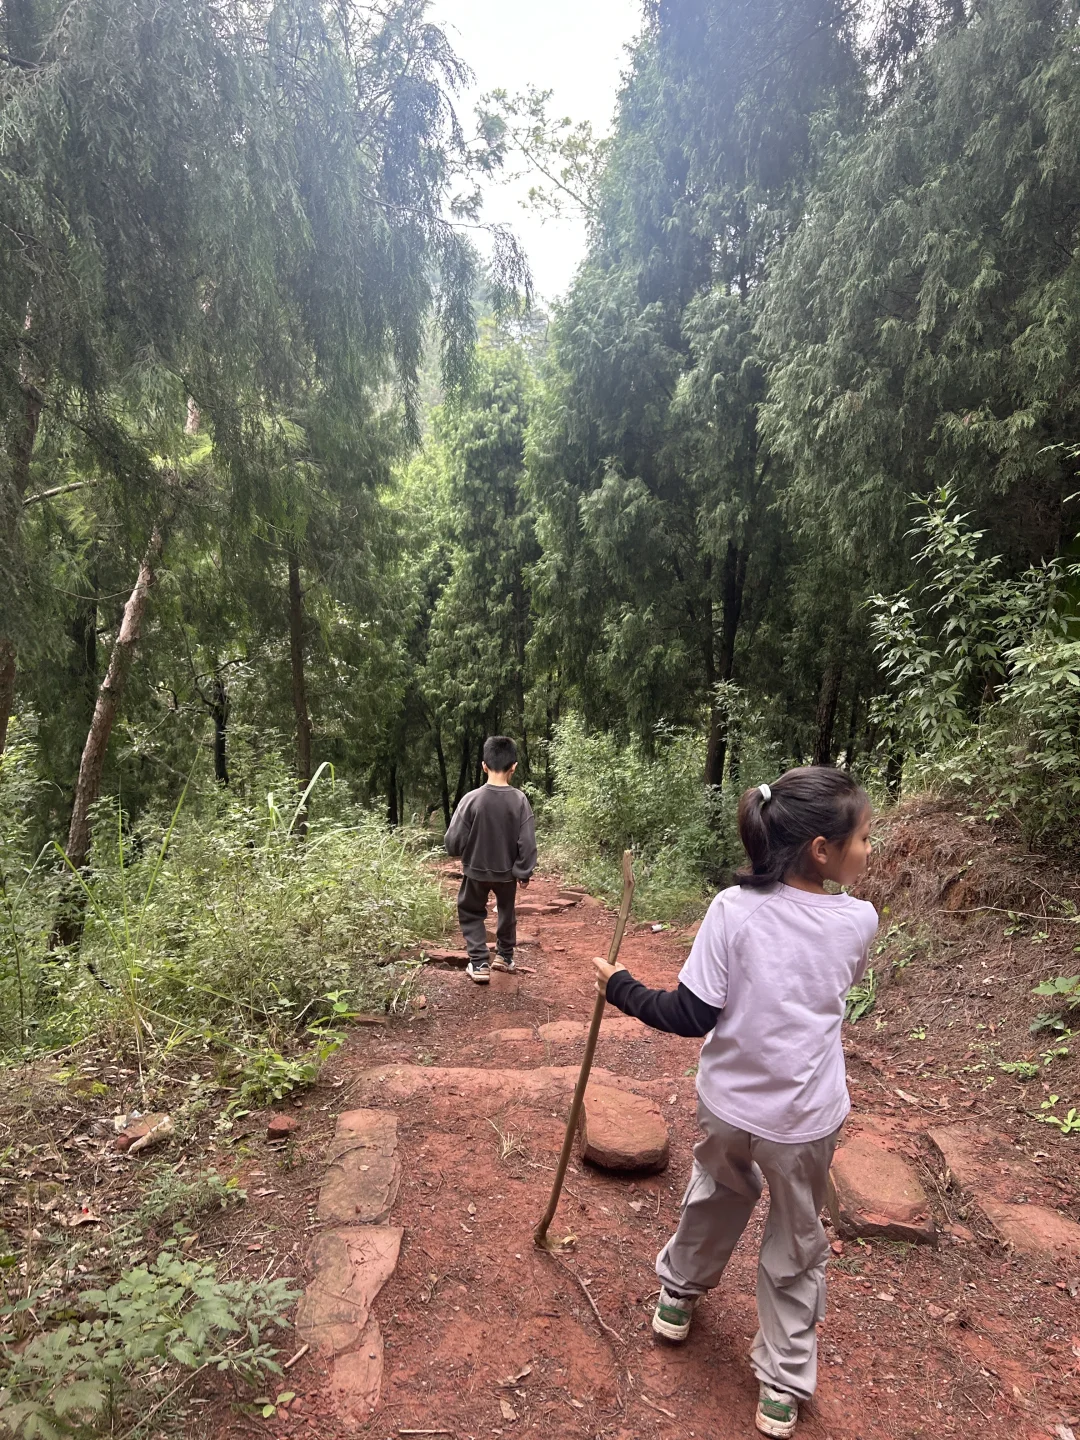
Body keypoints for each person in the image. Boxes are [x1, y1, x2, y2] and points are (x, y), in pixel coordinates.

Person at [592, 766, 877, 1438]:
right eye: (864, 837)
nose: (869, 849)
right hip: (804, 1122)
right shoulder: (858, 921)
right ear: (821, 849)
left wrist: (620, 986)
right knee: (797, 1239)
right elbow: (831, 993)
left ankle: (677, 1296)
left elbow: (690, 1014)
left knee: (714, 1196)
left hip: (727, 1110)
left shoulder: (731, 908)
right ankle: (780, 1385)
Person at [444, 735, 537, 985]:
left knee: (471, 911)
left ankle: (479, 962)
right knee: (507, 911)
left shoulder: (471, 799)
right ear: (514, 766)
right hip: (507, 873)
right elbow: (527, 842)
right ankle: (505, 957)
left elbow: (453, 840)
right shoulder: (519, 801)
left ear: (483, 765)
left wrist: (459, 851)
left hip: (475, 871)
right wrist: (523, 871)